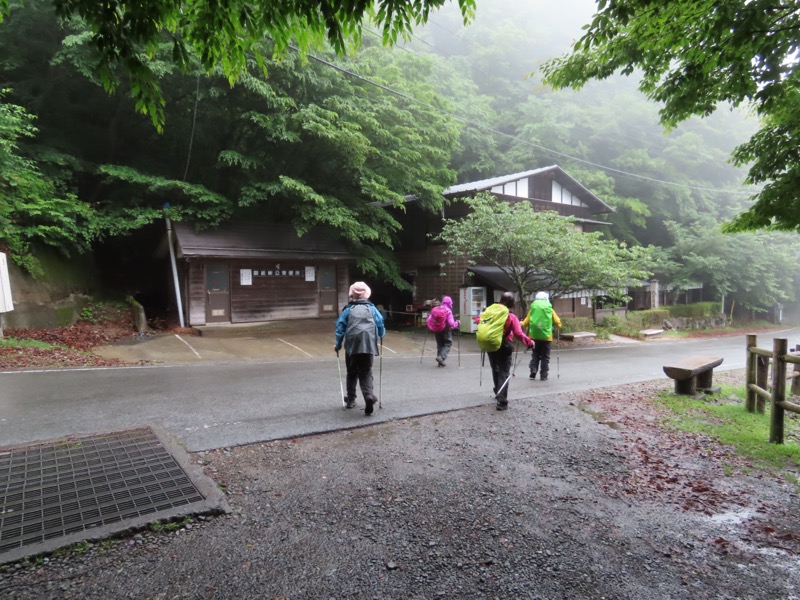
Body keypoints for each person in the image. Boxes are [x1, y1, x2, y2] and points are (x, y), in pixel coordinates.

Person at [335, 281, 386, 416]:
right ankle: (368, 396)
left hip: (352, 346)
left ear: (352, 295)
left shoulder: (348, 310)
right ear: (366, 295)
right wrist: (381, 334)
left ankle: (351, 399)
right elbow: (380, 323)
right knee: (366, 372)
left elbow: (340, 328)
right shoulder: (372, 309)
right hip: (368, 344)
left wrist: (338, 344)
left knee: (351, 372)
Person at [486, 292, 533, 411]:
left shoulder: (490, 311)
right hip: (504, 345)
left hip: (490, 343)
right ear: (510, 303)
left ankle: (498, 390)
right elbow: (518, 333)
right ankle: (501, 401)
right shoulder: (511, 316)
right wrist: (529, 342)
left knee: (495, 368)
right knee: (503, 371)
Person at [521, 291, 562, 381]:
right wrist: (558, 326)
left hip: (534, 336)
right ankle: (543, 375)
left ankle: (533, 370)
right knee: (545, 357)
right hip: (547, 337)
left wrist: (521, 324)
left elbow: (525, 323)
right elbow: (558, 322)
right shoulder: (549, 309)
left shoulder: (533, 309)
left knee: (535, 354)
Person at [426, 295, 460, 367]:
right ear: (449, 303)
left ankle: (440, 362)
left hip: (437, 329)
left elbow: (429, 319)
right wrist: (457, 323)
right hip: (446, 330)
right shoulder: (448, 311)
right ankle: (441, 358)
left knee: (440, 344)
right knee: (448, 343)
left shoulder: (435, 309)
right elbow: (451, 324)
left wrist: (431, 327)